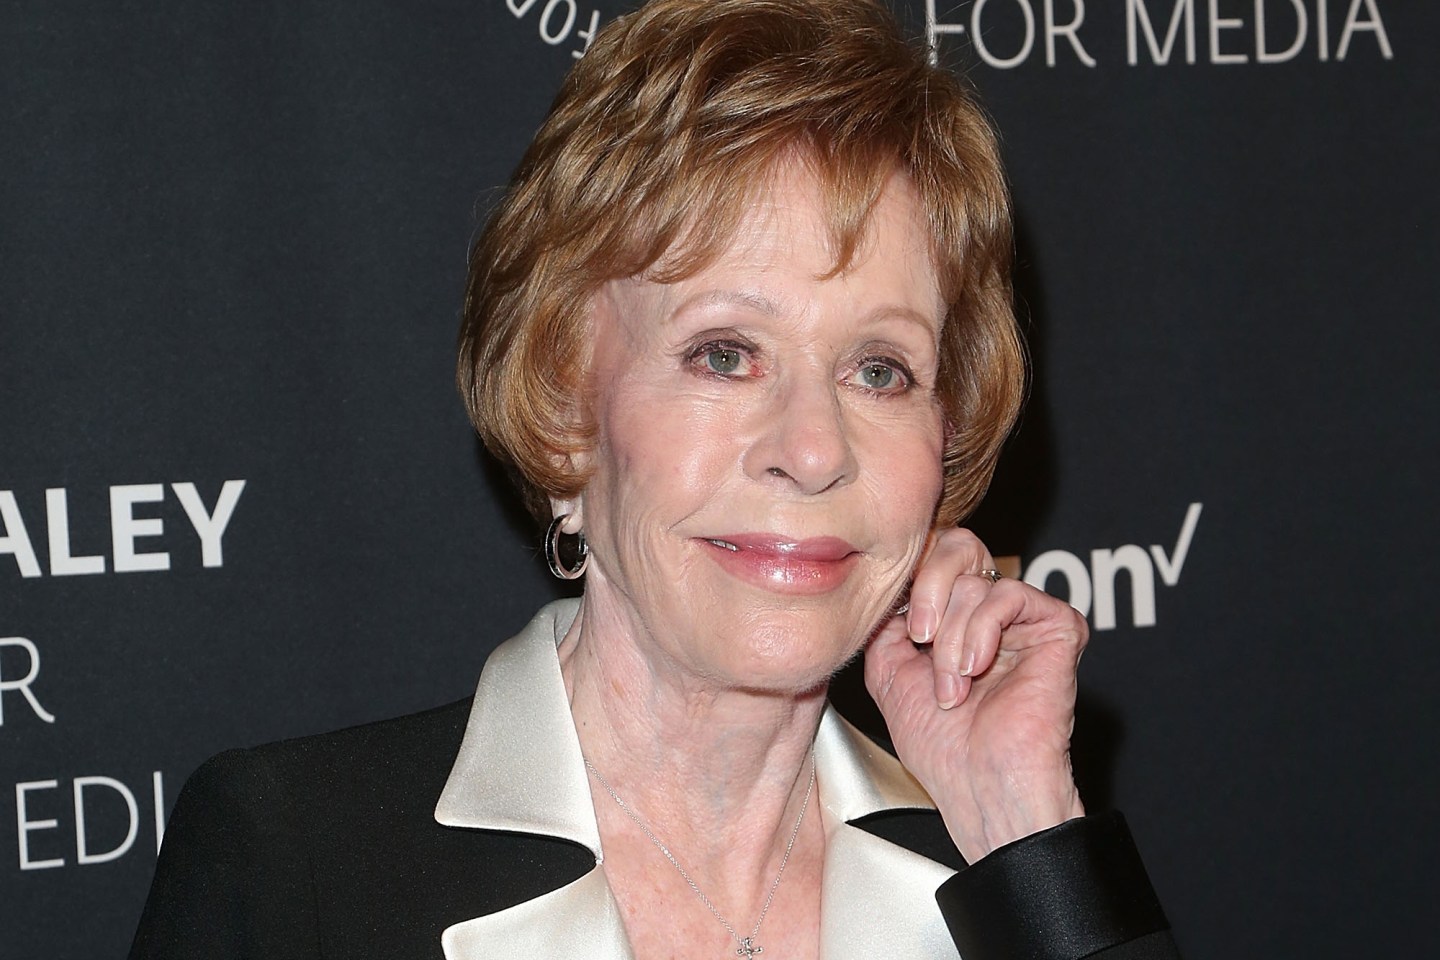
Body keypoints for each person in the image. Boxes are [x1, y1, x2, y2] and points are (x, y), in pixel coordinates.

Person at [129, 1, 1182, 957]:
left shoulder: (1001, 871)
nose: (814, 449)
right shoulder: (298, 866)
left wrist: (1018, 819)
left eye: (879, 370)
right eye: (724, 354)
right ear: (565, 407)